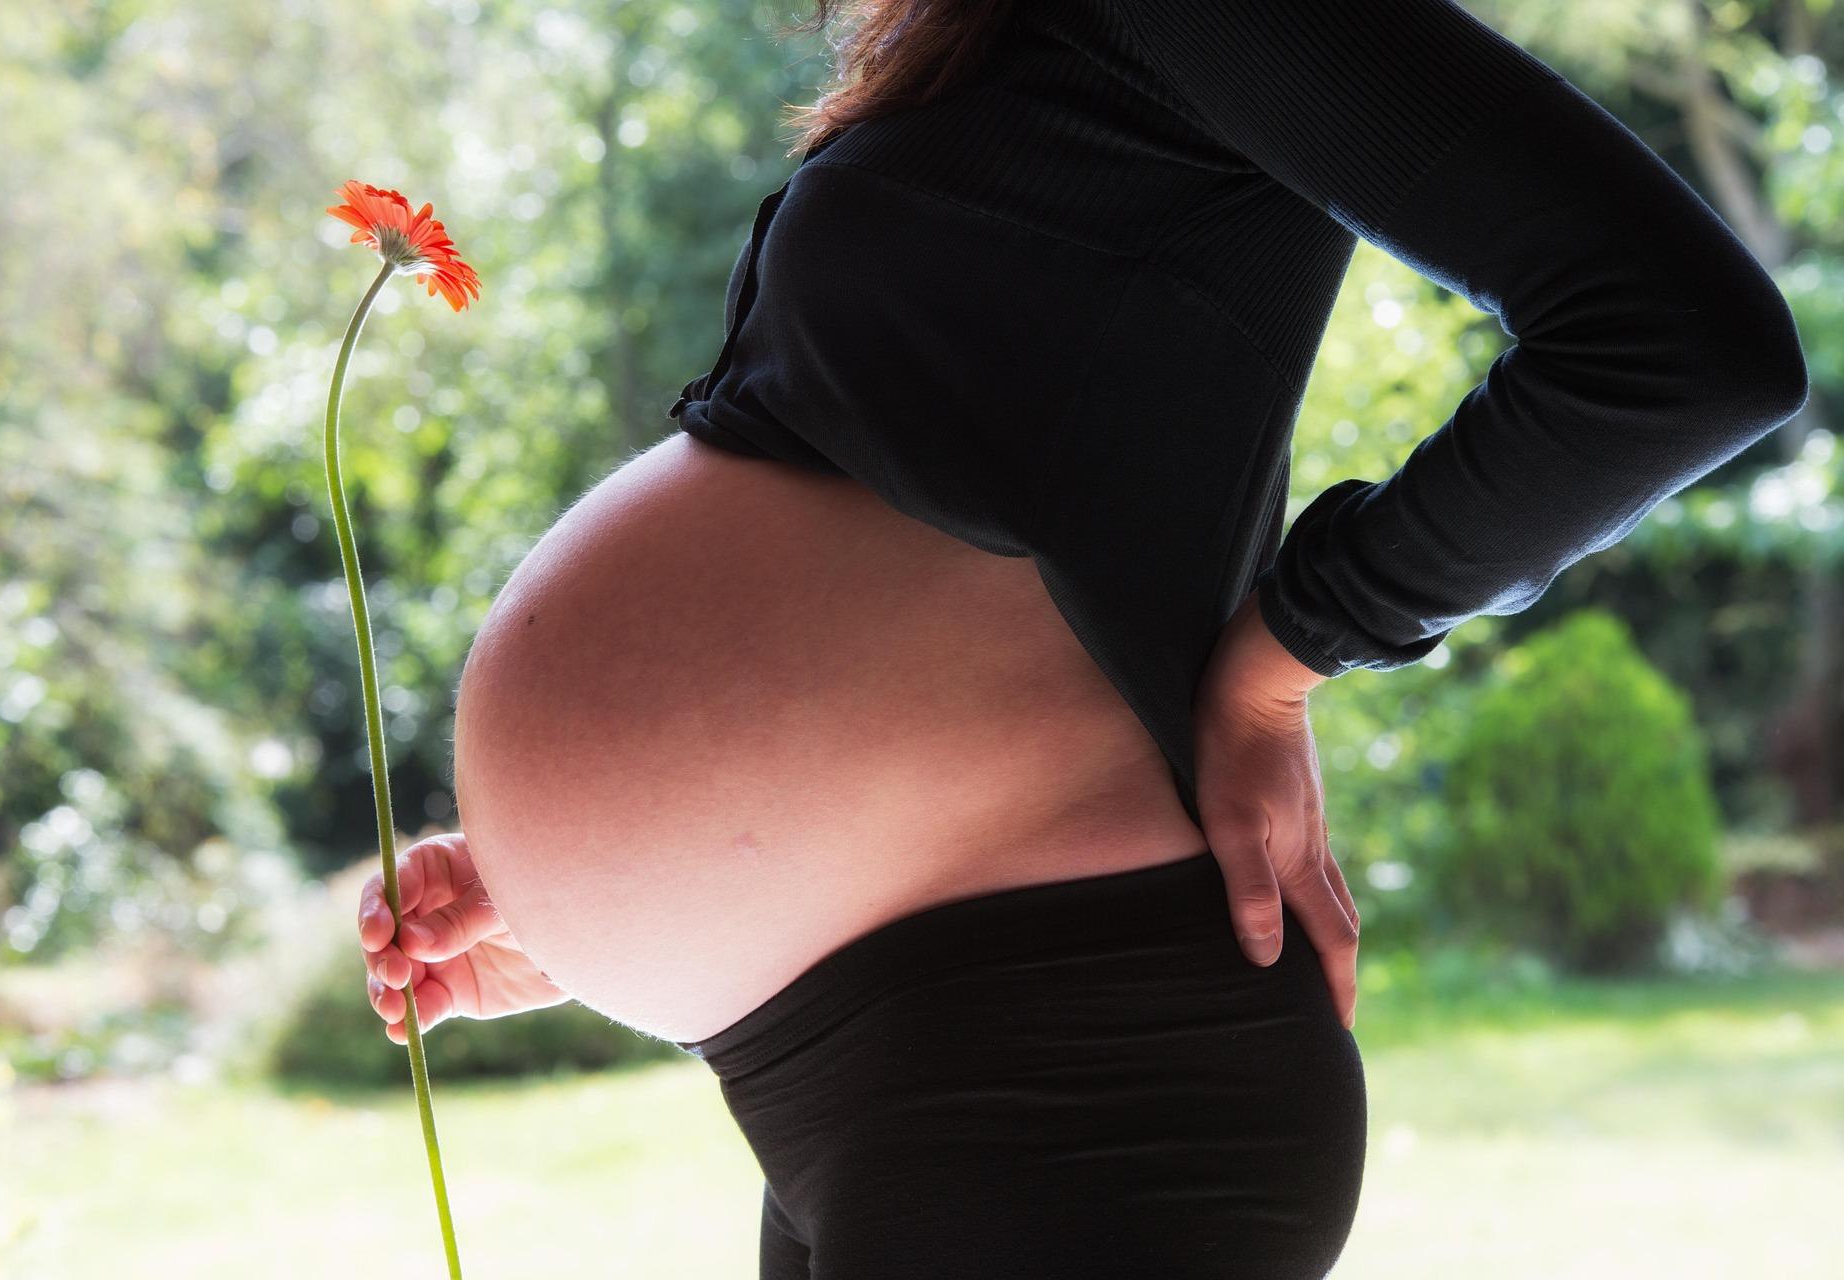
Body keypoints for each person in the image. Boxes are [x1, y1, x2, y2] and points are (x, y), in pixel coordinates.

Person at [359, 1, 1809, 1274]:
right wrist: (585, 901)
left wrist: (1288, 649)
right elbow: (994, 487)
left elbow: (1681, 346)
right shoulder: (1006, 49)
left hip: (1067, 1079)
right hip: (883, 1054)